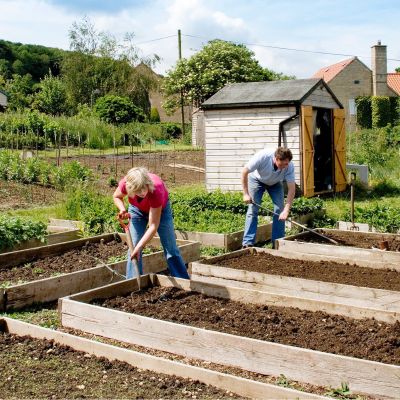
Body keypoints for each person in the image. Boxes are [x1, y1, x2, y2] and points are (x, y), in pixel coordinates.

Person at [113, 167, 190, 279]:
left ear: (147, 183)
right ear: (131, 188)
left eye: (144, 188)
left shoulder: (156, 189)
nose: (143, 192)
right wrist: (122, 209)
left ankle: (182, 279)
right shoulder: (126, 184)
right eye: (138, 190)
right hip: (136, 211)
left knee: (170, 247)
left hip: (161, 212)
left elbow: (153, 226)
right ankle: (133, 282)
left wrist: (139, 247)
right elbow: (116, 196)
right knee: (133, 246)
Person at [241, 147, 296, 248]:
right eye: (283, 164)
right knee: (253, 209)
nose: (285, 166)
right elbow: (244, 171)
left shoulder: (289, 166)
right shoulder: (263, 157)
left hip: (275, 183)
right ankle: (247, 243)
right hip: (257, 180)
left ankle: (277, 243)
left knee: (280, 210)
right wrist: (245, 194)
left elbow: (292, 189)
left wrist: (286, 210)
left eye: (287, 163)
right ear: (276, 159)